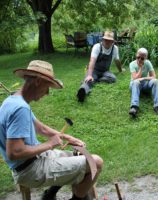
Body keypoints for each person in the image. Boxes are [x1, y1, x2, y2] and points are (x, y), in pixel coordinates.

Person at [0, 60, 103, 200]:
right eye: (47, 87)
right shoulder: (20, 109)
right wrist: (49, 144)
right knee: (95, 162)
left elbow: (40, 127)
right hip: (30, 170)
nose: (47, 93)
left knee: (80, 155)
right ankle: (77, 198)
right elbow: (14, 152)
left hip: (32, 162)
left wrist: (67, 137)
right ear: (37, 82)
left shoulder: (13, 100)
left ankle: (50, 195)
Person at [77, 31, 124, 103]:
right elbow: (92, 61)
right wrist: (89, 75)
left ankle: (95, 80)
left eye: (109, 40)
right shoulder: (97, 47)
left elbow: (117, 60)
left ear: (112, 42)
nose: (107, 42)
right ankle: (82, 91)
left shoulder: (115, 48)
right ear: (103, 39)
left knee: (113, 78)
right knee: (88, 80)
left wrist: (120, 70)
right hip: (94, 70)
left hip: (105, 71)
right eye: (105, 40)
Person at [129, 48, 158, 117]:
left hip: (144, 83)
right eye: (138, 57)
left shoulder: (148, 63)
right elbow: (135, 78)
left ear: (146, 58)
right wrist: (141, 68)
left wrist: (144, 78)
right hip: (134, 85)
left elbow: (153, 76)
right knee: (136, 82)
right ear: (136, 55)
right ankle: (134, 107)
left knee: (155, 81)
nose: (139, 60)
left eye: (142, 58)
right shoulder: (132, 64)